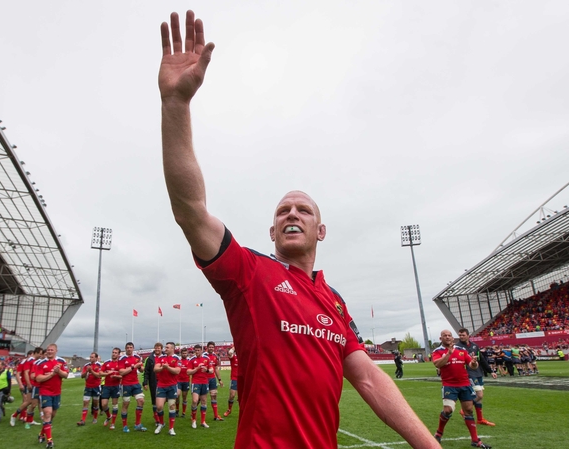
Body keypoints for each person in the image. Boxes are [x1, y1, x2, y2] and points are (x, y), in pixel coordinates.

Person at [158, 10, 437, 448]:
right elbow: (190, 210)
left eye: (303, 210)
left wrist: (429, 445)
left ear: (320, 231)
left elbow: (366, 377)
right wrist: (176, 104)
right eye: (283, 210)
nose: (292, 213)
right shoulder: (249, 275)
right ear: (271, 233)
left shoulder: (334, 303)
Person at [432, 330, 491, 448]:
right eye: (445, 336)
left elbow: (472, 366)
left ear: (452, 338)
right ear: (441, 338)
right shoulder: (437, 351)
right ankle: (439, 433)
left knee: (468, 410)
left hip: (464, 384)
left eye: (449, 335)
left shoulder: (462, 350)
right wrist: (448, 354)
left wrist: (474, 362)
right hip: (449, 385)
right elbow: (437, 364)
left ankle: (475, 440)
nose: (448, 337)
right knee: (448, 410)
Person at [457, 328, 497, 427]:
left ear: (468, 335)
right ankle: (464, 410)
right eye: (460, 335)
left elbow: (481, 359)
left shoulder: (475, 346)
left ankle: (480, 419)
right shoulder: (457, 347)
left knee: (479, 398)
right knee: (479, 395)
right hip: (468, 373)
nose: (461, 337)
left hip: (478, 373)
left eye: (463, 335)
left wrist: (490, 371)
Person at [34, 343, 68, 449]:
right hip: (45, 392)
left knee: (52, 415)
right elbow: (38, 378)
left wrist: (59, 371)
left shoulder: (61, 362)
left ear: (56, 351)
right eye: (48, 350)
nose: (49, 351)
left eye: (51, 350)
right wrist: (52, 374)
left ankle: (41, 433)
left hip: (57, 392)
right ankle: (49, 441)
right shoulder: (41, 363)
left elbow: (66, 375)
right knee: (47, 413)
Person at [118, 342, 147, 432]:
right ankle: (125, 425)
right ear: (125, 349)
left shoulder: (137, 357)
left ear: (133, 348)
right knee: (126, 404)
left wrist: (140, 367)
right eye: (127, 347)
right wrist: (134, 367)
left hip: (135, 383)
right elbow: (122, 372)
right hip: (126, 384)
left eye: (131, 347)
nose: (129, 349)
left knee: (141, 401)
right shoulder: (122, 358)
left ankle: (137, 424)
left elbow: (142, 370)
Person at [153, 342, 181, 436]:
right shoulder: (161, 358)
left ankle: (171, 428)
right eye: (165, 347)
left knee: (172, 407)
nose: (165, 348)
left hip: (172, 386)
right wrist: (162, 368)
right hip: (161, 385)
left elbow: (177, 371)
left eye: (167, 347)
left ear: (172, 349)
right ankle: (161, 423)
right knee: (159, 407)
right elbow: (155, 369)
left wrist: (167, 367)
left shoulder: (177, 358)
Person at [186, 344, 209, 429]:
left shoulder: (206, 359)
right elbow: (188, 372)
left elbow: (211, 370)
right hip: (196, 383)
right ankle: (194, 420)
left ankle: (203, 421)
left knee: (203, 401)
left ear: (201, 350)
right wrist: (196, 369)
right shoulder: (192, 360)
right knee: (195, 401)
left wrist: (207, 370)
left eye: (199, 350)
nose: (197, 351)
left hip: (205, 382)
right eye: (196, 350)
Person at [77, 352, 102, 426]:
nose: (90, 358)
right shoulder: (86, 365)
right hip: (88, 387)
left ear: (96, 358)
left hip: (96, 387)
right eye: (90, 357)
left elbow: (98, 375)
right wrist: (87, 372)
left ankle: (95, 418)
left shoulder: (99, 365)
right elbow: (82, 376)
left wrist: (91, 371)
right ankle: (83, 420)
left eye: (92, 357)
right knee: (85, 403)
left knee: (95, 403)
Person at [100, 347, 122, 430]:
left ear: (119, 354)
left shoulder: (120, 364)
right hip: (106, 386)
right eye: (113, 352)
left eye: (116, 352)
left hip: (116, 386)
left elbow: (122, 375)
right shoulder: (106, 363)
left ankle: (112, 423)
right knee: (104, 404)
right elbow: (100, 373)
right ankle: (109, 416)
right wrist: (107, 374)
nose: (114, 354)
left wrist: (116, 376)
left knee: (114, 405)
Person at [142, 342, 162, 425]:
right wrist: (145, 382)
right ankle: (156, 418)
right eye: (156, 348)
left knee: (162, 399)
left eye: (159, 348)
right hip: (153, 381)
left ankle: (159, 414)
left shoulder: (164, 357)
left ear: (161, 349)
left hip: (163, 381)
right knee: (154, 399)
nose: (157, 349)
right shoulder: (150, 358)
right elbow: (146, 371)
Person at [203, 341, 224, 421]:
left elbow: (216, 369)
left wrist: (220, 380)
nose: (211, 348)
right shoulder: (204, 356)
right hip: (204, 379)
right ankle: (193, 414)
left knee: (214, 395)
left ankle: (216, 416)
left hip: (212, 379)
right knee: (201, 398)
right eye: (210, 347)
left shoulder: (215, 356)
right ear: (207, 347)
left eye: (212, 347)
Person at [223, 345, 238, 417]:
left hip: (243, 379)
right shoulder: (233, 357)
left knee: (242, 397)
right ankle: (229, 409)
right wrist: (236, 345)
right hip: (234, 379)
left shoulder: (245, 357)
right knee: (232, 395)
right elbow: (229, 353)